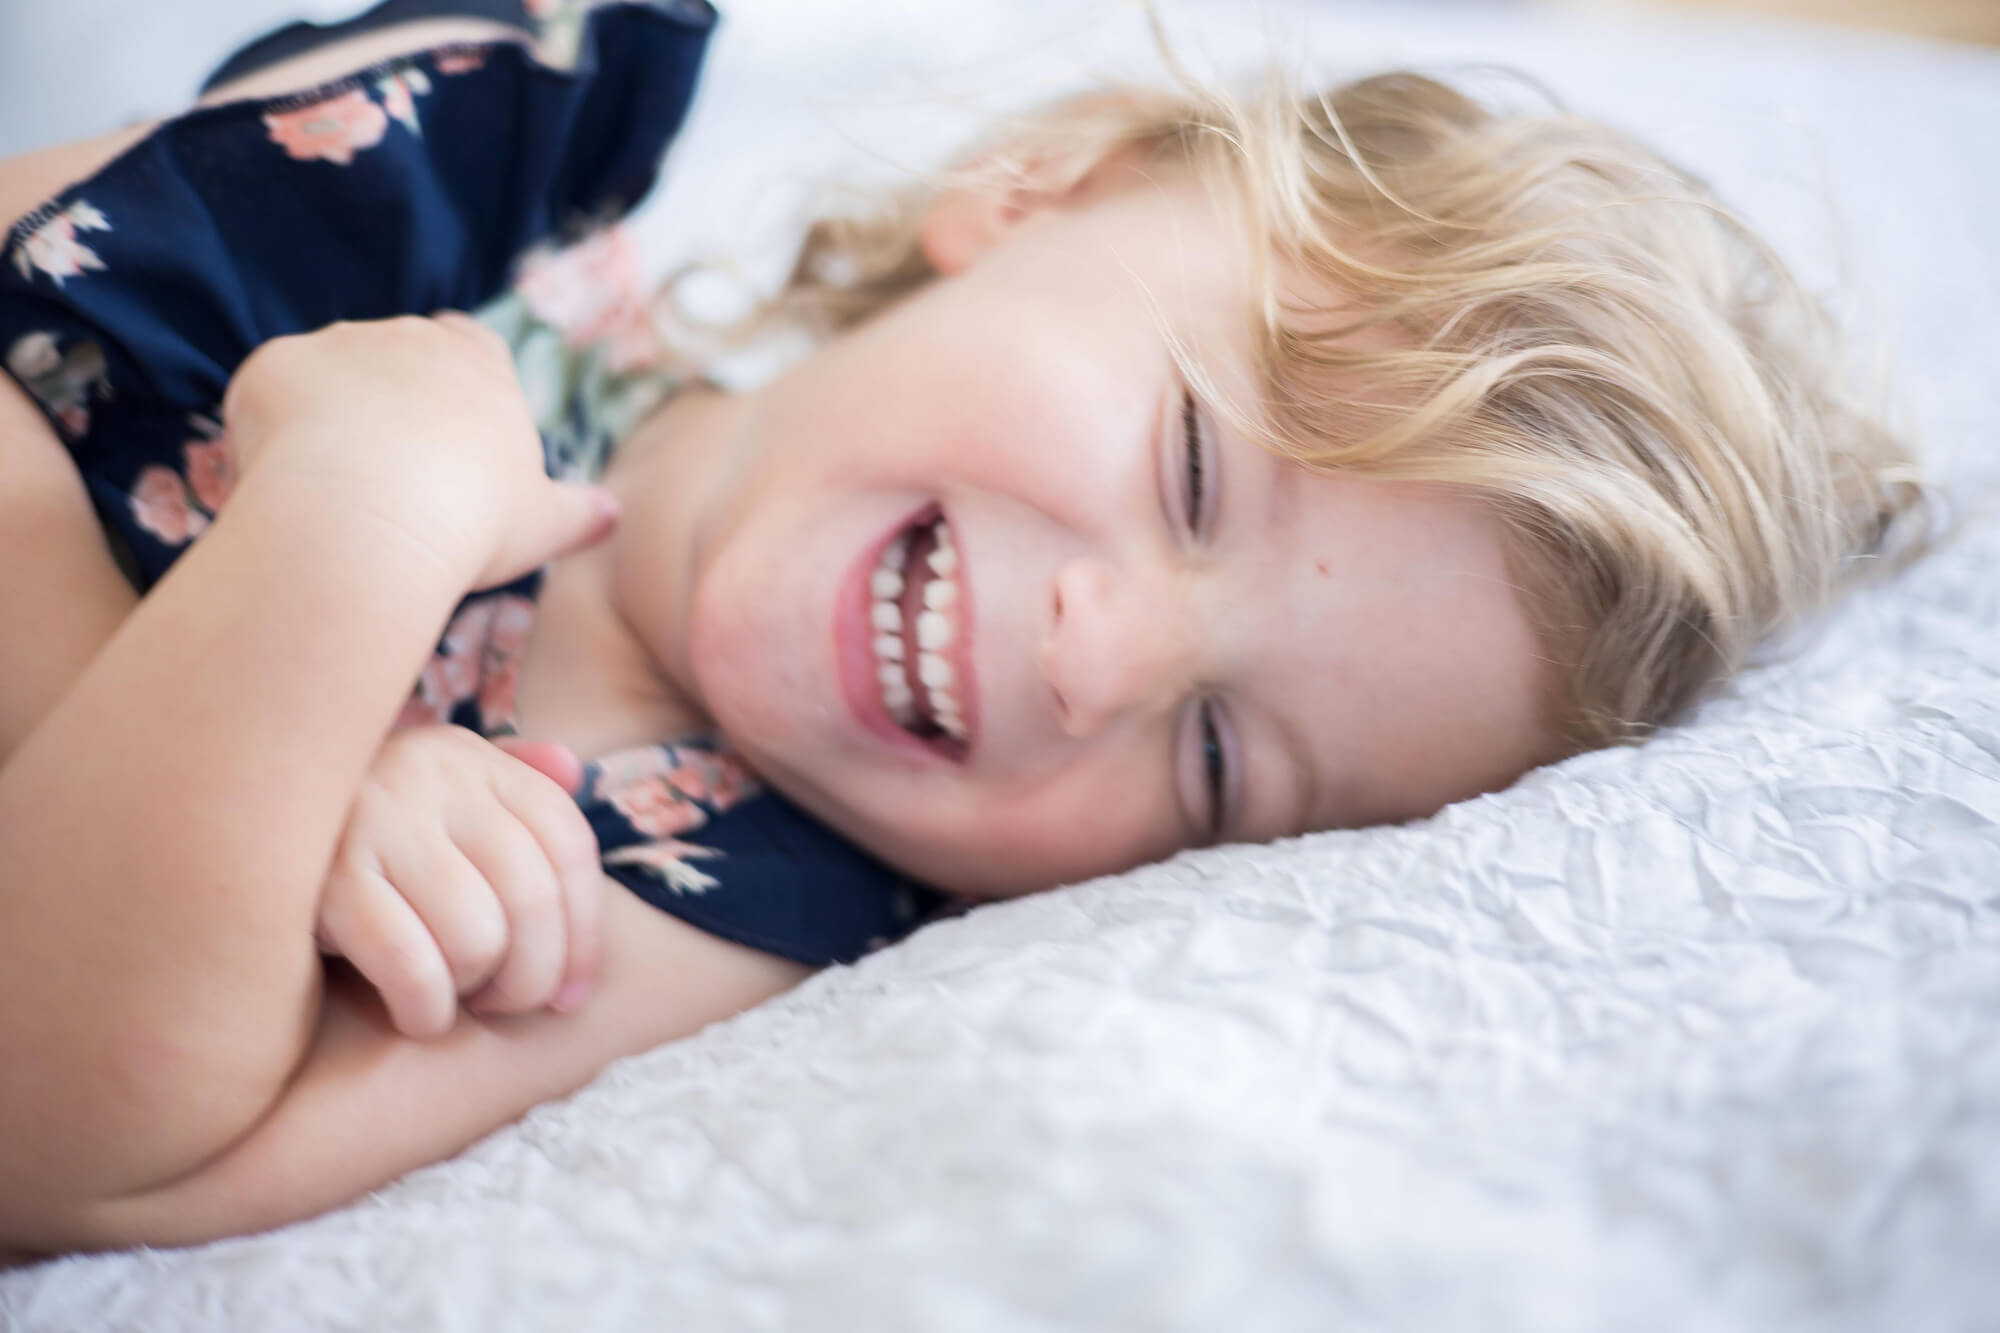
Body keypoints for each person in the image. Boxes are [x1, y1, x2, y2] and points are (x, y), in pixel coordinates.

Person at [0, 0, 1923, 1257]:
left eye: (1217, 759)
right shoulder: (467, 170)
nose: (1104, 658)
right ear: (1041, 187)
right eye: (1192, 468)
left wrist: (344, 543)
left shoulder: (709, 890)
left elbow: (60, 1140)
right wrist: (275, 790)